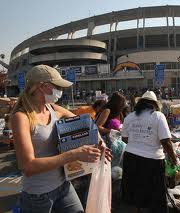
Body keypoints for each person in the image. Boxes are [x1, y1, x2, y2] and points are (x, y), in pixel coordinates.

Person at [11, 65, 111, 213]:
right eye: (57, 86)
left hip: (63, 185)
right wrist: (75, 154)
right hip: (38, 195)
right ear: (43, 86)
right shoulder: (21, 117)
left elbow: (85, 123)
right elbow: (28, 167)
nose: (61, 91)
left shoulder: (51, 108)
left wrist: (99, 142)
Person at [121, 91, 177, 213]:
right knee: (156, 195)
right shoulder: (158, 116)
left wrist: (137, 142)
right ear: (154, 104)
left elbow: (124, 138)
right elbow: (166, 141)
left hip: (130, 158)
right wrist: (174, 159)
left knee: (135, 192)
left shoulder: (129, 117)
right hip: (153, 161)